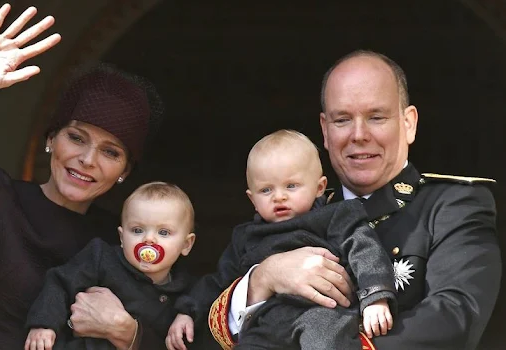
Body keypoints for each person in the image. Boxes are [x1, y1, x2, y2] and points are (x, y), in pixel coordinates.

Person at [208, 50, 501, 350]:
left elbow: (455, 320)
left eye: (376, 117)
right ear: (324, 130)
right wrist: (264, 278)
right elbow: (194, 328)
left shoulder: (454, 204)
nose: (358, 135)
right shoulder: (294, 210)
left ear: (409, 123)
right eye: (342, 120)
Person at [0, 4, 164, 349]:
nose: (87, 159)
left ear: (125, 171)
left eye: (111, 152)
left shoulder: (121, 243)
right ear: (50, 139)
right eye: (76, 138)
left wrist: (128, 333)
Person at [166, 130, 396, 350]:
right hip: (268, 321)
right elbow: (218, 282)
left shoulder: (335, 216)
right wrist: (188, 311)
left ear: (319, 187)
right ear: (252, 199)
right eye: (266, 190)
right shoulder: (247, 236)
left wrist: (375, 297)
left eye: (291, 186)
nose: (279, 196)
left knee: (326, 339)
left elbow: (365, 250)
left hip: (323, 313)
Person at [25, 182, 197, 350]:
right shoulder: (101, 258)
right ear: (122, 238)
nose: (149, 239)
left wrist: (187, 315)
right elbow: (60, 282)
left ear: (186, 245)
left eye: (163, 232)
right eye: (137, 230)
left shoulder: (186, 292)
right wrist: (44, 324)